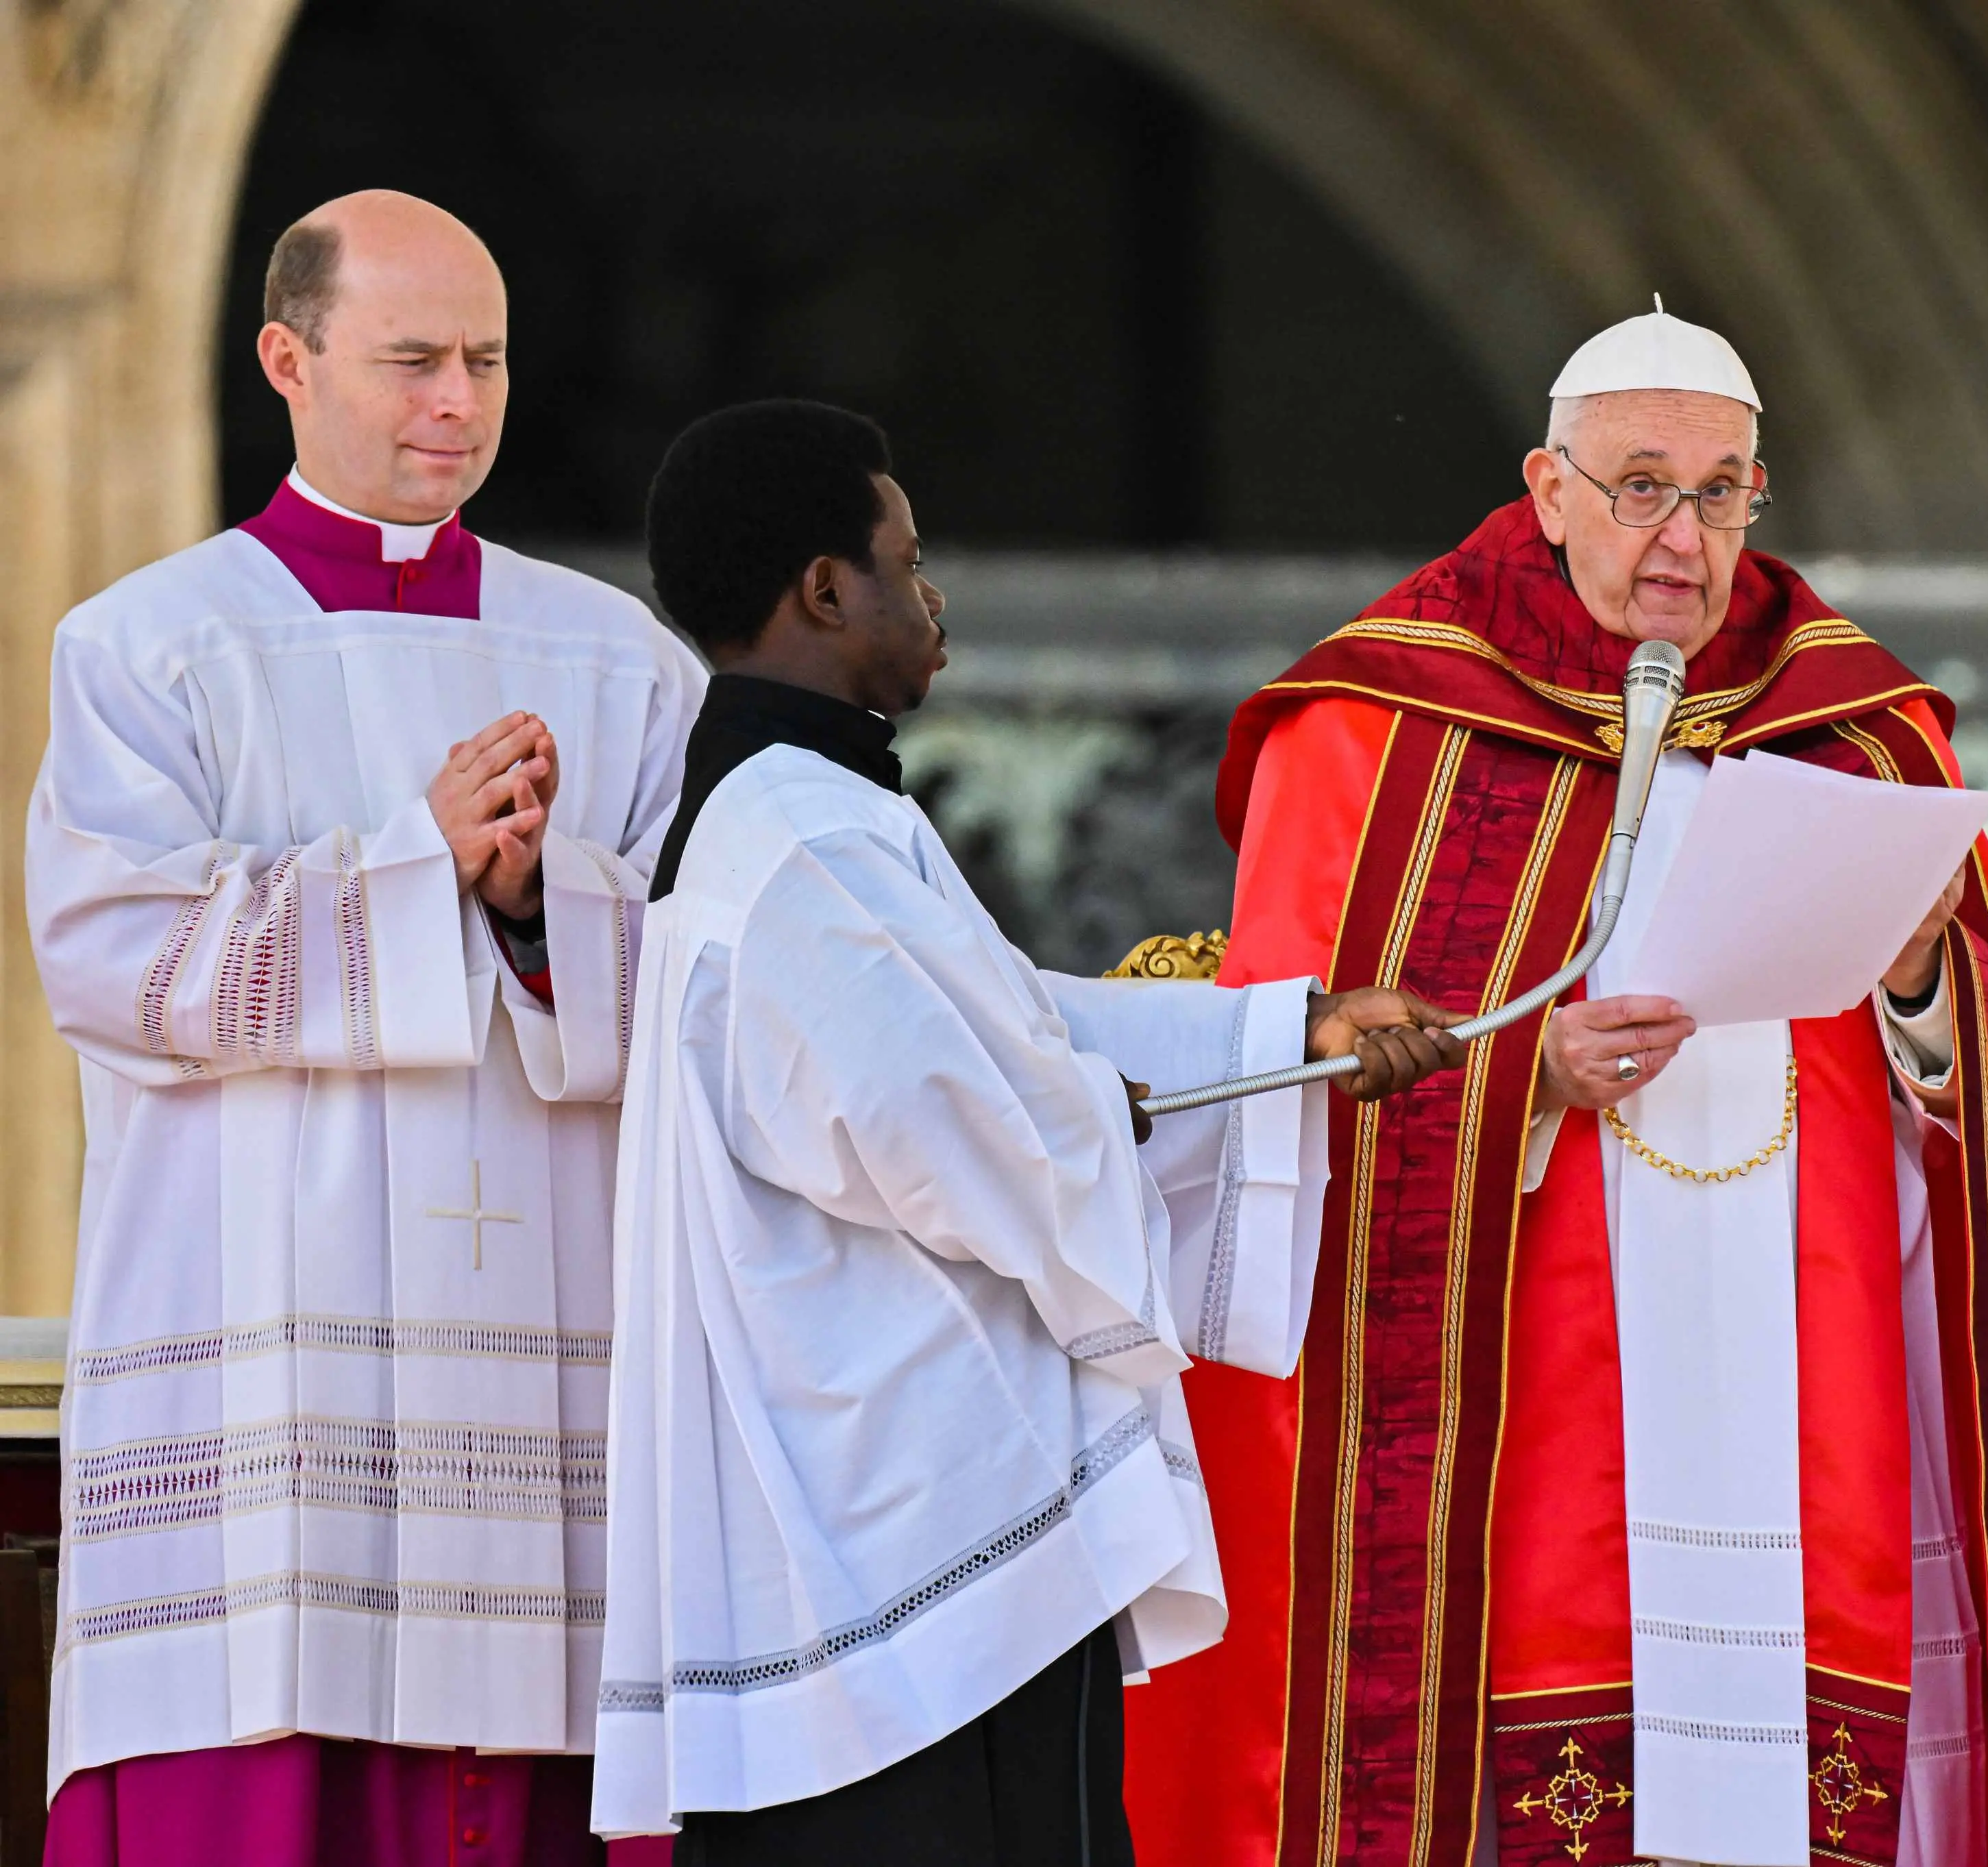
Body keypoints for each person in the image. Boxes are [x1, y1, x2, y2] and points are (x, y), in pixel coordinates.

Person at [1123, 307, 1988, 1867]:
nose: (1684, 534)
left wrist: (1926, 982)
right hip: (1532, 1386)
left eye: (1723, 492)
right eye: (1641, 486)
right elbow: (1279, 1088)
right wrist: (1523, 1078)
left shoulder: (1862, 731)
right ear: (1545, 487)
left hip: (1809, 1362)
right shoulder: (1375, 730)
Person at [589, 399, 1467, 1864]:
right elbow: (947, 1122)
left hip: (901, 1536)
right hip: (910, 1554)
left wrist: (1282, 1032)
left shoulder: (806, 815)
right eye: (904, 560)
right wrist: (1095, 1122)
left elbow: (1004, 1027)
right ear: (822, 591)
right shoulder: (799, 842)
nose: (931, 599)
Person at [24, 192, 704, 1864]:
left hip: (543, 1402)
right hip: (271, 1392)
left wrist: (544, 910)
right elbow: (112, 963)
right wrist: (420, 871)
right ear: (288, 359)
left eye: (482, 362)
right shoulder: (148, 648)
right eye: (410, 362)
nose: (455, 405)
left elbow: (709, 977)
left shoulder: (614, 661)